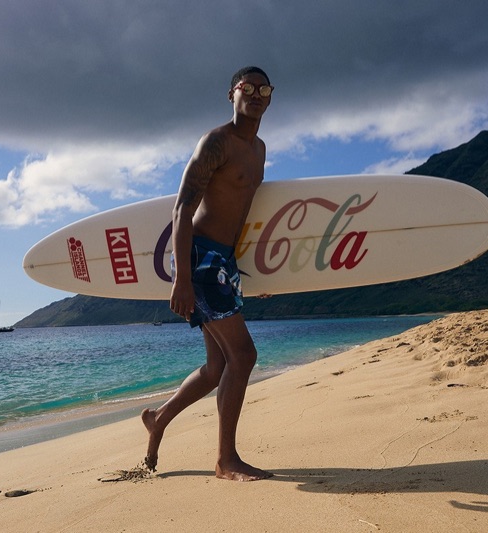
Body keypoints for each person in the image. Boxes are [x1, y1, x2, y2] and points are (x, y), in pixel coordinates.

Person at [141, 66, 274, 481]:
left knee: (218, 366)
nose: (254, 94)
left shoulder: (259, 150)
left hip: (225, 263)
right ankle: (225, 460)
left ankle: (159, 418)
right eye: (246, 87)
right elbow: (181, 208)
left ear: (270, 98)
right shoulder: (216, 142)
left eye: (262, 89)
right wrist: (181, 278)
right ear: (232, 94)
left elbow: (242, 217)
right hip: (200, 261)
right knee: (244, 355)